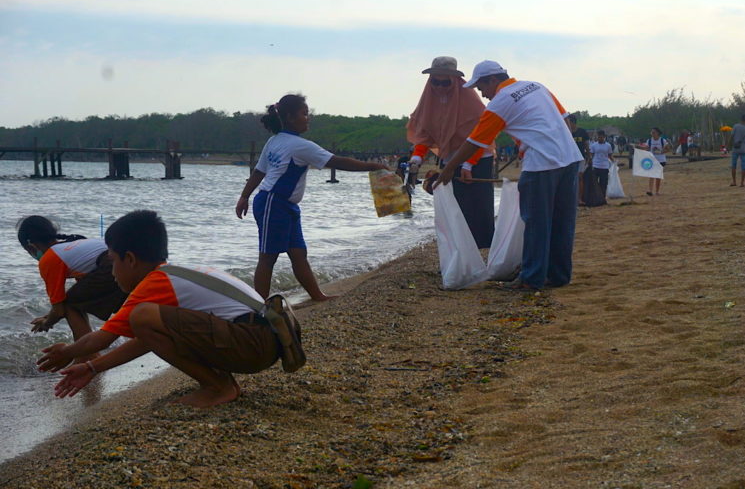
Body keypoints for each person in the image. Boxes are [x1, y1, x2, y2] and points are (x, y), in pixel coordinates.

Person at [36, 210, 284, 408]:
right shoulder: (175, 275)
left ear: (130, 260)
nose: (112, 273)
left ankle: (218, 387)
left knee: (141, 316)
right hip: (267, 341)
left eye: (113, 262)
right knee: (144, 321)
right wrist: (92, 368)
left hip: (254, 343)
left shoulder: (155, 283)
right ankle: (220, 384)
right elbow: (148, 340)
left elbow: (100, 341)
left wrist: (67, 351)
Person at [434, 60, 583, 291]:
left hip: (541, 165)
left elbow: (475, 141)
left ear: (493, 80)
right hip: (570, 159)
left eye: (482, 87)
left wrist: (448, 169)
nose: (483, 95)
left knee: (536, 224)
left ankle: (531, 279)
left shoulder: (500, 102)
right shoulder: (537, 86)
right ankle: (559, 275)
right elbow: (566, 121)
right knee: (562, 223)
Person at [235, 94, 388, 300]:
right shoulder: (296, 145)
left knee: (298, 254)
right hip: (272, 202)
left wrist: (245, 197)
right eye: (304, 114)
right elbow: (337, 162)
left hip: (286, 206)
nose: (308, 118)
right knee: (268, 257)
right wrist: (372, 166)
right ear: (289, 117)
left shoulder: (280, 141)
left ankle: (317, 295)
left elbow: (259, 172)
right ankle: (258, 305)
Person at [407, 56, 494, 248]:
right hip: (449, 161)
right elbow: (424, 132)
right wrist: (417, 157)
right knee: (454, 207)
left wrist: (469, 164)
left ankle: (484, 249)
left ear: (454, 80)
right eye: (434, 82)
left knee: (478, 207)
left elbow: (483, 135)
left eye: (444, 82)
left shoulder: (469, 99)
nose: (439, 87)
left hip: (477, 160)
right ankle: (459, 250)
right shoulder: (429, 100)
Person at [16, 215, 127, 346]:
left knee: (70, 303)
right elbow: (82, 295)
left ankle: (86, 353)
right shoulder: (72, 246)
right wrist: (48, 316)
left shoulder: (50, 259)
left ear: (31, 247)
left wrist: (47, 323)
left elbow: (60, 309)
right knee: (126, 306)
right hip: (128, 262)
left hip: (110, 266)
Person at [566, 114, 590, 206]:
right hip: (569, 158)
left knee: (580, 178)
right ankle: (571, 199)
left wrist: (589, 157)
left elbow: (586, 145)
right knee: (569, 179)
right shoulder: (566, 133)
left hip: (580, 158)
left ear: (572, 122)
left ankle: (579, 199)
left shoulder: (582, 132)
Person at [589, 130, 615, 198]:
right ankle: (595, 197)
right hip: (595, 166)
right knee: (594, 183)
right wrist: (589, 161)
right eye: (599, 137)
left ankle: (603, 197)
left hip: (604, 167)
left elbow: (610, 155)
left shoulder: (608, 145)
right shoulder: (594, 145)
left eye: (601, 137)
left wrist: (614, 162)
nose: (600, 138)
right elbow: (591, 155)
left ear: (604, 137)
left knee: (603, 183)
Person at [729, 114, 745, 187]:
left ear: (741, 119)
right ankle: (742, 183)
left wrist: (728, 144)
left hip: (736, 148)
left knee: (733, 165)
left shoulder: (736, 126)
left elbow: (731, 136)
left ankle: (734, 182)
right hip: (744, 148)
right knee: (743, 166)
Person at [646, 127, 669, 196]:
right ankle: (650, 190)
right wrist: (637, 147)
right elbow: (646, 148)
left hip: (661, 160)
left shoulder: (662, 140)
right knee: (651, 175)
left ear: (657, 133)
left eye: (653, 132)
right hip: (652, 160)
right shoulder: (649, 141)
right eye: (651, 132)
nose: (652, 134)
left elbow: (668, 149)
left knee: (658, 176)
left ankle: (657, 191)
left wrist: (661, 152)